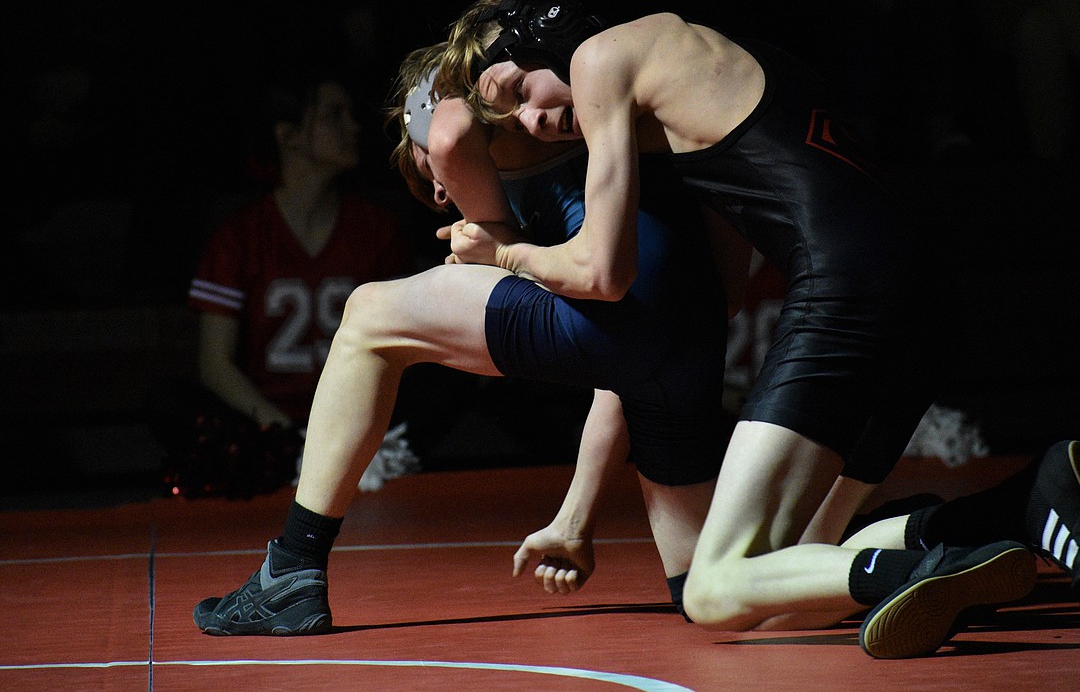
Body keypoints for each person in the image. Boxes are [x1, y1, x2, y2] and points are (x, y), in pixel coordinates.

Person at [437, 0, 1080, 656]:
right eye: (513, 124)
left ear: (551, 34)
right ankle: (1024, 504)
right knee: (794, 587)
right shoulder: (701, 72)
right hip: (924, 284)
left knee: (715, 592)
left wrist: (501, 254)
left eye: (518, 93)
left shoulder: (601, 57)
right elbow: (720, 298)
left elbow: (603, 273)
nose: (534, 123)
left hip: (849, 284)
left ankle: (925, 567)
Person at [191, 41, 735, 633]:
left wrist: (499, 247)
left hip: (632, 311)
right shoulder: (606, 124)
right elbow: (630, 356)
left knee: (369, 314)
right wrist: (575, 517)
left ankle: (291, 569)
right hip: (688, 332)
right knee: (707, 591)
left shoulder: (467, 108)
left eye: (432, 180)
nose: (446, 194)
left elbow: (449, 136)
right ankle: (853, 571)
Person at [173, 70, 417, 497]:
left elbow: (406, 343)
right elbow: (214, 363)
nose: (353, 126)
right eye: (333, 115)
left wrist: (358, 427)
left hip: (360, 415)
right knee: (171, 403)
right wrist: (289, 434)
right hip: (269, 422)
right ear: (288, 136)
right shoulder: (239, 236)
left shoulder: (377, 228)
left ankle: (374, 453)